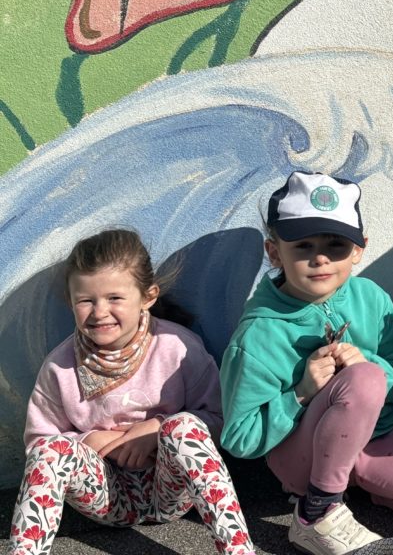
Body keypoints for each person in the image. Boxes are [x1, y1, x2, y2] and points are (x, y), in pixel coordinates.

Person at [219, 171, 393, 555]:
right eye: (303, 245)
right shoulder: (258, 334)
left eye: (336, 244)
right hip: (301, 459)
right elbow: (240, 438)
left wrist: (369, 362)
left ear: (358, 249)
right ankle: (316, 513)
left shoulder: (371, 298)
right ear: (274, 252)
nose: (320, 258)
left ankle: (362, 488)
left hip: (371, 439)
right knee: (365, 379)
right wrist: (301, 393)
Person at [7, 229, 253, 555]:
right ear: (71, 301)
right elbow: (39, 442)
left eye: (115, 298)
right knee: (50, 451)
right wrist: (89, 441)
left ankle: (238, 550)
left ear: (147, 297)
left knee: (184, 427)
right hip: (108, 498)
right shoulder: (60, 366)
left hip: (171, 491)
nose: (100, 312)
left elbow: (219, 419)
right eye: (86, 300)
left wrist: (155, 429)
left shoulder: (178, 348)